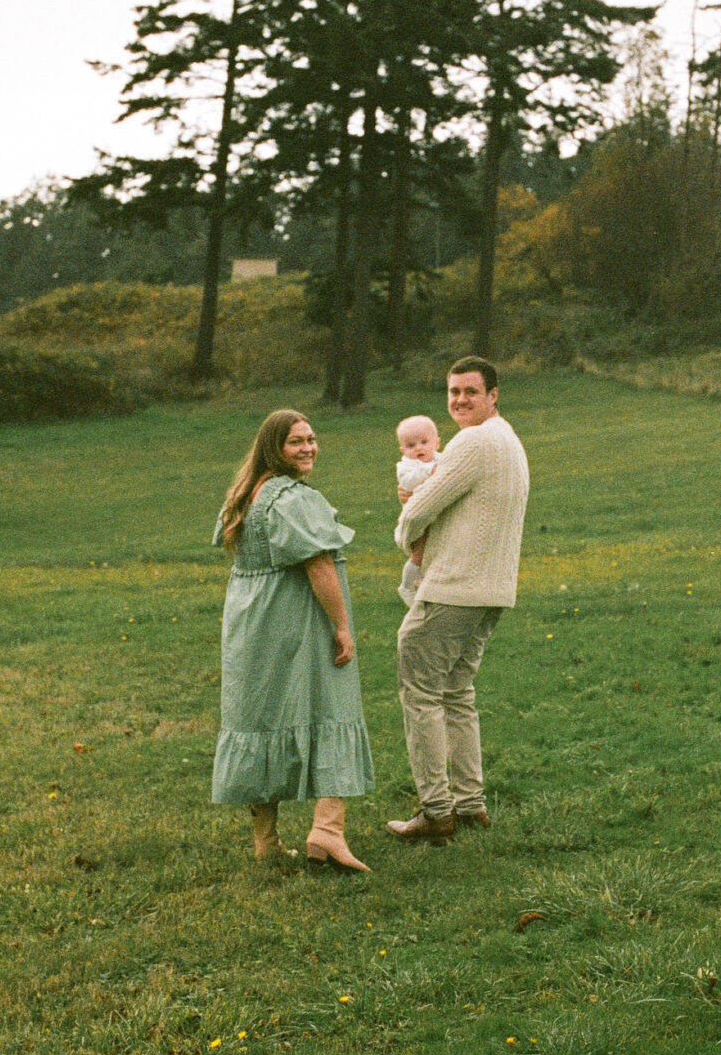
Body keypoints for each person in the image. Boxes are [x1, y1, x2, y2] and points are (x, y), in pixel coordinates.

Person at [211, 409, 372, 871]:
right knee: (330, 704)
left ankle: (266, 840)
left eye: (312, 439)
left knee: (257, 716)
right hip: (294, 620)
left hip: (250, 624)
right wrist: (341, 624)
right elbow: (319, 566)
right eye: (295, 442)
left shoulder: (244, 494)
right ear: (273, 448)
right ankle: (327, 831)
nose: (308, 448)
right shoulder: (293, 498)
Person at [389, 357, 529, 843]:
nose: (460, 401)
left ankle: (436, 810)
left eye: (471, 391)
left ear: (493, 395)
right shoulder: (508, 439)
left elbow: (420, 509)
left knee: (421, 689)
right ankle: (470, 804)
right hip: (490, 590)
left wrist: (405, 531)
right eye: (453, 392)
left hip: (455, 587)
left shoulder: (474, 441)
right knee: (456, 693)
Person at [393, 413, 441, 607]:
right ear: (403, 449)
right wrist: (429, 471)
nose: (419, 448)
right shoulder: (406, 466)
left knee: (435, 552)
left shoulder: (442, 459)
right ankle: (407, 586)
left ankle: (425, 584)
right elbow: (407, 481)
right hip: (418, 518)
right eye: (411, 446)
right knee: (419, 553)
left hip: (435, 516)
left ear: (436, 443)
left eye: (424, 442)